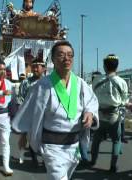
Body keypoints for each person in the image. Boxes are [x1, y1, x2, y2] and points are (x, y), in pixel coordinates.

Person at [12, 41, 99, 180]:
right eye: (61, 55)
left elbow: (92, 102)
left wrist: (90, 113)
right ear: (52, 59)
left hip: (74, 145)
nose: (67, 58)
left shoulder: (80, 83)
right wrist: (23, 135)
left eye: (70, 55)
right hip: (52, 147)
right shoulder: (42, 85)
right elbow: (28, 113)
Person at [90, 54, 129, 173]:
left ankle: (93, 161)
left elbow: (92, 96)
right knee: (116, 140)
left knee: (96, 139)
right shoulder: (122, 82)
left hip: (99, 115)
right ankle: (113, 166)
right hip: (114, 116)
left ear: (104, 66)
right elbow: (125, 100)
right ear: (117, 67)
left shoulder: (97, 79)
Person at [17, 57, 46, 164]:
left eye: (37, 67)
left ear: (43, 68)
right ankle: (22, 155)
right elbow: (20, 98)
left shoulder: (48, 82)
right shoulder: (25, 82)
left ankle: (44, 158)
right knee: (25, 136)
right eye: (33, 67)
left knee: (43, 138)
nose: (34, 69)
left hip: (44, 116)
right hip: (29, 115)